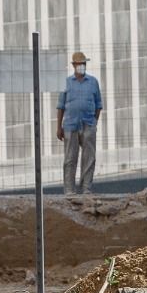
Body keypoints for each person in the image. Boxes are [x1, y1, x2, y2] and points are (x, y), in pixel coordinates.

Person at [56, 51, 103, 195]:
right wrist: (59, 127)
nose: (82, 66)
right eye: (79, 64)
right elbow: (61, 106)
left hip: (88, 124)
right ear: (74, 65)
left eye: (84, 63)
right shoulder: (66, 82)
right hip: (70, 125)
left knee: (89, 157)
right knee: (70, 158)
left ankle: (86, 188)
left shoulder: (93, 82)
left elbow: (98, 104)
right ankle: (69, 189)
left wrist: (94, 122)